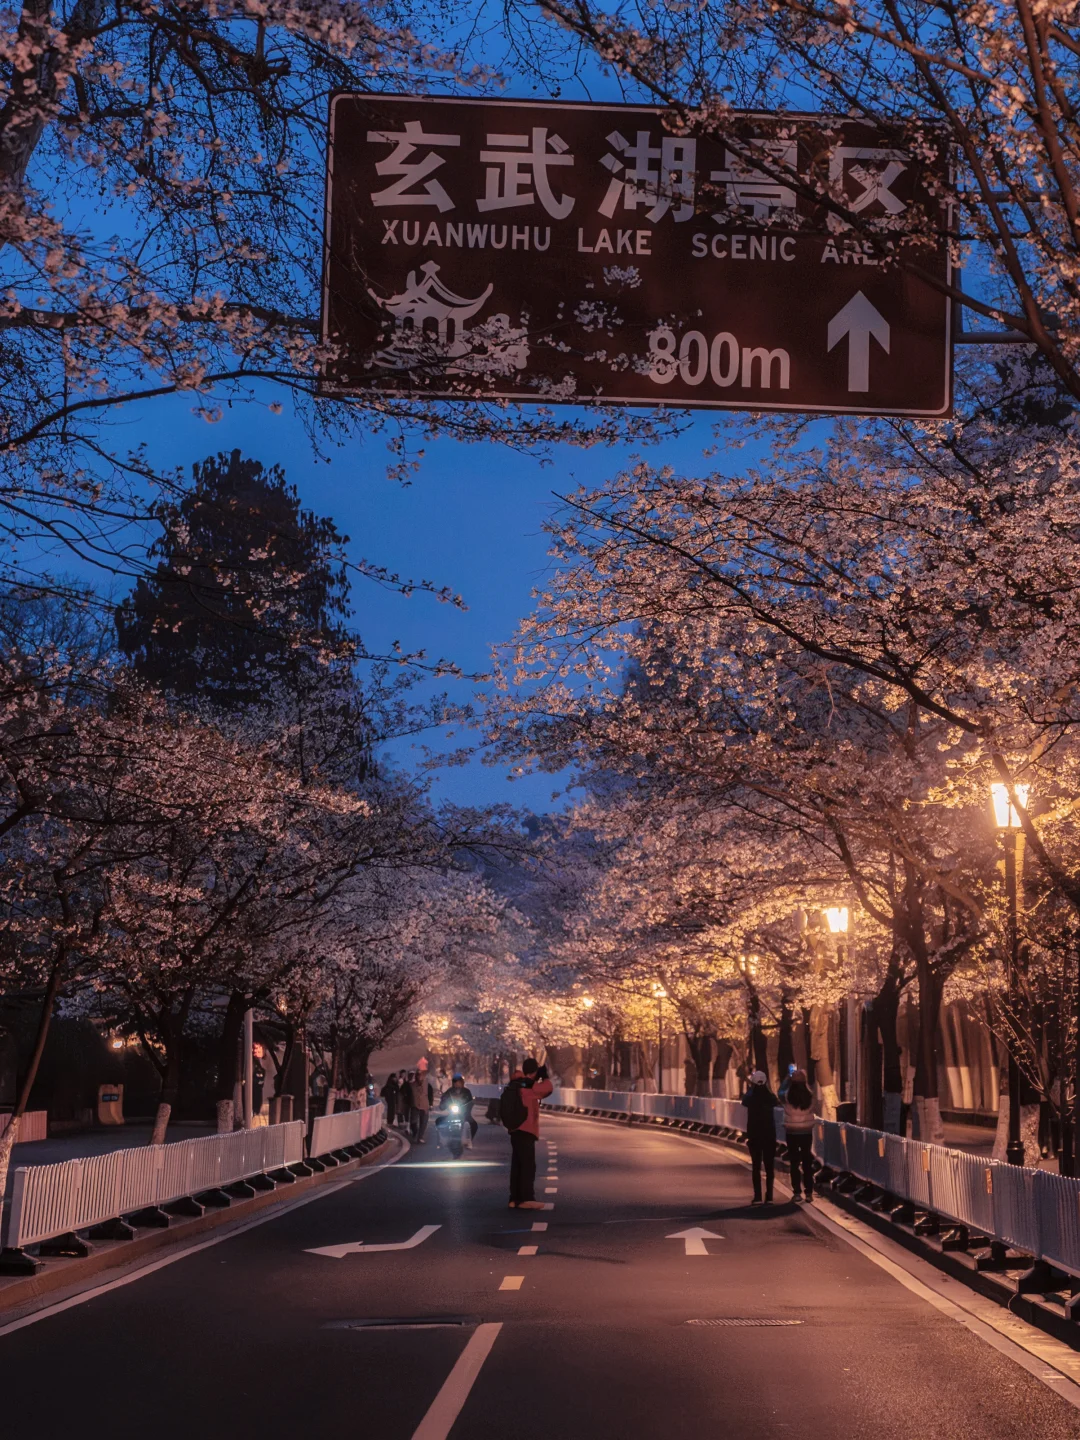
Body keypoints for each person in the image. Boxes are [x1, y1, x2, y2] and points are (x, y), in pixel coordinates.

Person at [504, 1058, 553, 1209]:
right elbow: (547, 1088)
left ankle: (514, 1199)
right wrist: (544, 1077)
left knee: (517, 1165)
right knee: (527, 1165)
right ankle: (526, 1198)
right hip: (526, 1129)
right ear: (534, 1072)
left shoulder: (515, 1084)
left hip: (514, 1129)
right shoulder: (530, 1086)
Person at [743, 1069, 779, 1205]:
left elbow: (744, 1101)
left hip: (754, 1135)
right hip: (769, 1135)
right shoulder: (770, 1097)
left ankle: (757, 1196)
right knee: (769, 1167)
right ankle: (769, 1196)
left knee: (756, 1166)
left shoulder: (750, 1097)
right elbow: (776, 1102)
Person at [783, 1069, 816, 1202]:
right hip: (806, 1131)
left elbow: (780, 1090)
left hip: (791, 1131)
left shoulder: (786, 1096)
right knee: (807, 1161)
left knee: (794, 1162)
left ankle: (797, 1192)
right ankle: (809, 1193)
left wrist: (786, 1079)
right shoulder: (810, 1096)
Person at [435, 1074, 477, 1147]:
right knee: (439, 1121)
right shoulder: (450, 1091)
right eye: (455, 1082)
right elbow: (444, 1099)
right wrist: (443, 1104)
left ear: (462, 1082)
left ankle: (469, 1140)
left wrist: (468, 1107)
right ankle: (441, 1140)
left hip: (464, 1113)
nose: (457, 1084)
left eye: (458, 1082)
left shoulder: (466, 1092)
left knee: (473, 1124)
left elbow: (470, 1102)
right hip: (452, 1113)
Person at [409, 1067, 433, 1143]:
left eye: (421, 1075)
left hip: (425, 1106)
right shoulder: (411, 1085)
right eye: (418, 1075)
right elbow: (407, 1095)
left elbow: (430, 1094)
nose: (419, 1077)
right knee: (413, 1122)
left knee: (423, 1123)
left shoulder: (427, 1085)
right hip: (415, 1106)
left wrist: (431, 1104)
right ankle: (415, 1132)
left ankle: (420, 1137)